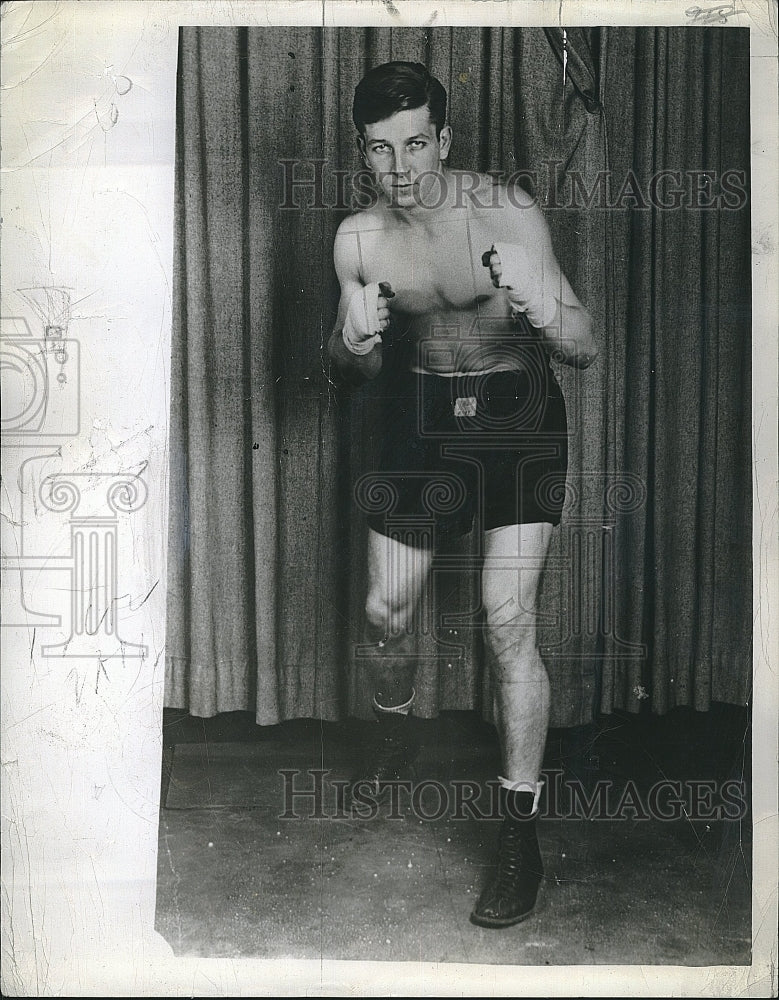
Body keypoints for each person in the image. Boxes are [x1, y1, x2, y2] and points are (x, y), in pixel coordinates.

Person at [327, 61, 597, 929]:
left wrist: (543, 309)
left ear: (442, 139)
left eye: (415, 143)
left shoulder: (507, 212)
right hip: (423, 417)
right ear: (364, 155)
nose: (400, 166)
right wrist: (352, 340)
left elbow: (587, 346)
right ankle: (396, 727)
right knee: (384, 613)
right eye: (381, 149)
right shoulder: (359, 239)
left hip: (517, 413)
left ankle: (518, 836)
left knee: (505, 618)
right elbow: (351, 374)